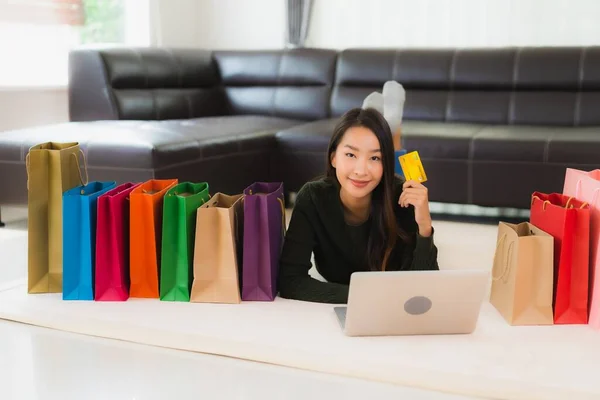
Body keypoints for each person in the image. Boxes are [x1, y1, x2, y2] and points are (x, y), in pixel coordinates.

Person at [278, 107, 439, 304]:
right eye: (350, 155)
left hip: (387, 315)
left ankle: (391, 121)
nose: (361, 170)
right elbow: (290, 280)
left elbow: (423, 289)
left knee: (393, 150)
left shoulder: (402, 198)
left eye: (375, 158)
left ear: (385, 163)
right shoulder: (313, 197)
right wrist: (364, 296)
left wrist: (424, 226)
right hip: (369, 304)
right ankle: (381, 114)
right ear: (333, 157)